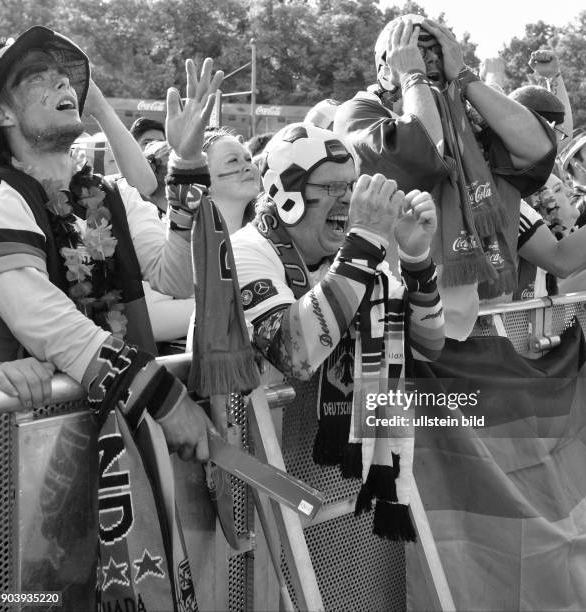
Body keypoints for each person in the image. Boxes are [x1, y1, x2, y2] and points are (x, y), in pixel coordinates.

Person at [0, 25, 224, 460]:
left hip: (127, 440)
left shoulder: (112, 194)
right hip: (32, 451)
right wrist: (160, 395)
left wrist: (188, 164)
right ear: (1, 114)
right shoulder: (2, 195)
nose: (62, 83)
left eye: (63, 76)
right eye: (37, 79)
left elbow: (176, 278)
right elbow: (46, 320)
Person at [232, 123, 445, 540]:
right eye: (331, 187)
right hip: (246, 484)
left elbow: (430, 343)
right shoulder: (245, 250)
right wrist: (364, 242)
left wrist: (416, 256)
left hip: (326, 480)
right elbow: (294, 351)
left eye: (351, 185)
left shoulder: (352, 256)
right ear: (286, 192)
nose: (347, 199)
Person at [334, 14, 556, 339]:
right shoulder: (358, 113)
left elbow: (536, 149)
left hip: (463, 329)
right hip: (389, 329)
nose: (431, 62)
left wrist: (465, 76)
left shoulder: (462, 124)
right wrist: (412, 76)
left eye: (439, 52)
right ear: (384, 70)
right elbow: (424, 150)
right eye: (417, 52)